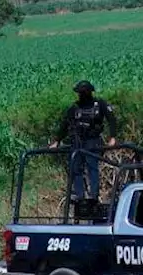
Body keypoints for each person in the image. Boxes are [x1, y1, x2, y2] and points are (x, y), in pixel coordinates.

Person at [48, 81, 118, 210]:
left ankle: (94, 195)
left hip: (92, 140)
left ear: (90, 92)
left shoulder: (100, 104)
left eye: (85, 92)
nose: (83, 95)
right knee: (75, 168)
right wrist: (57, 140)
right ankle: (79, 196)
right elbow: (65, 124)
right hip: (77, 141)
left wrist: (112, 137)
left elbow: (111, 119)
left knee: (92, 167)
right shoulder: (75, 107)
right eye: (81, 92)